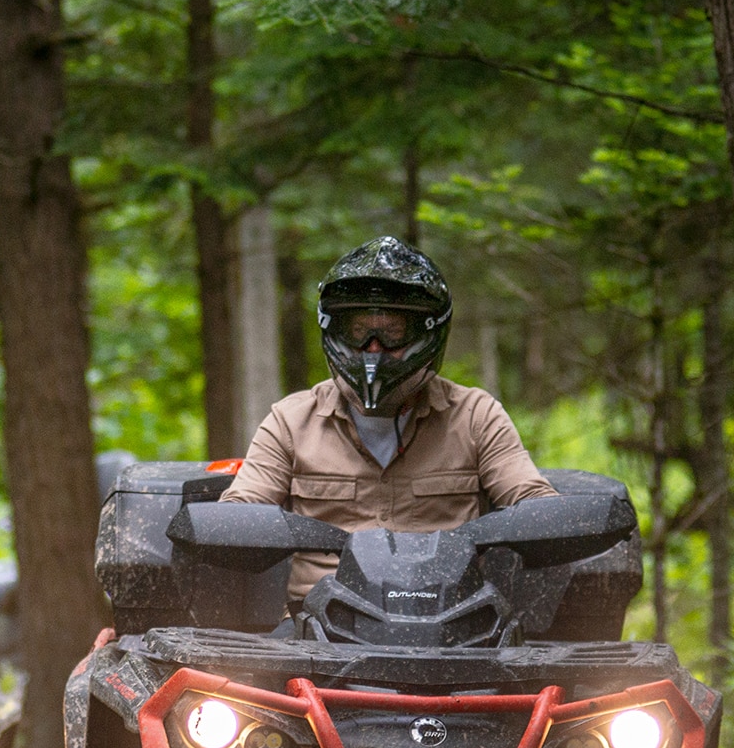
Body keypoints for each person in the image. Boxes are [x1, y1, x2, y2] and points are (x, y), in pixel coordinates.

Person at [221, 236, 554, 594]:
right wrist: (233, 525)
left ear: (427, 331)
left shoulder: (475, 416)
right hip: (317, 628)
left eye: (392, 332)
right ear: (336, 330)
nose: (374, 349)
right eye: (360, 332)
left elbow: (534, 502)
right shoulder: (290, 422)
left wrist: (548, 521)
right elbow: (240, 513)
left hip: (453, 624)